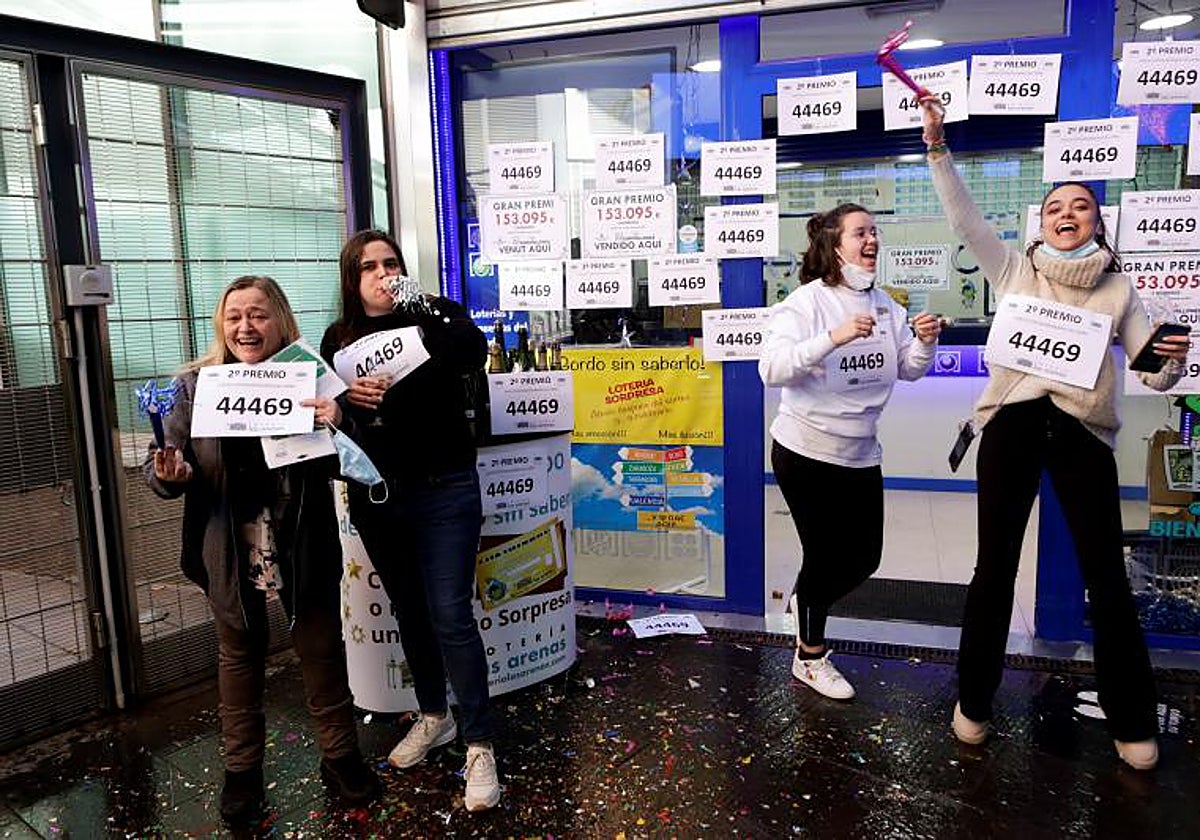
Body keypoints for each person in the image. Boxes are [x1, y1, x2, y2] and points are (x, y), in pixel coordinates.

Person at [921, 101, 1189, 769]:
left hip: (1082, 434)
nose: (1067, 215)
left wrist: (1171, 358)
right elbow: (964, 218)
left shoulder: (1120, 290)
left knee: (1106, 577)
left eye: (1082, 208)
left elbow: (1151, 375)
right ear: (1039, 223)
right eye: (1054, 208)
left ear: (1098, 222)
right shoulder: (1016, 271)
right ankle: (973, 702)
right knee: (994, 569)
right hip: (1011, 425)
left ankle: (1131, 719)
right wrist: (936, 147)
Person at [144, 276, 380, 826]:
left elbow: (351, 457)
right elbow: (168, 468)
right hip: (229, 540)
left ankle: (341, 758)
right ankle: (242, 772)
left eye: (257, 315)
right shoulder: (196, 386)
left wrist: (338, 421)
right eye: (234, 317)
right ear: (220, 325)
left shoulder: (311, 377)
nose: (245, 327)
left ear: (279, 320)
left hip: (299, 533)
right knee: (238, 657)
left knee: (322, 650)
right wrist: (171, 474)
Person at [319, 230, 500, 812]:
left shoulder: (436, 317)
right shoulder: (339, 338)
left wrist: (423, 302)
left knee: (451, 614)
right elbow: (333, 418)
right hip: (379, 495)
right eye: (369, 266)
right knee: (411, 612)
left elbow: (472, 353)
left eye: (391, 263)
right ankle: (433, 715)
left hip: (446, 487)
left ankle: (480, 743)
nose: (382, 273)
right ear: (353, 279)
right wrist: (347, 402)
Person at [759, 205, 942, 699]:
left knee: (864, 557)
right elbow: (772, 368)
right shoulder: (806, 304)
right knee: (823, 555)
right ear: (835, 244)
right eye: (861, 232)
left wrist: (924, 342)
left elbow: (908, 368)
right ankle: (810, 656)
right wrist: (831, 338)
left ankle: (807, 601)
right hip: (805, 451)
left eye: (875, 232)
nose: (872, 240)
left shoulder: (887, 305)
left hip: (860, 451)